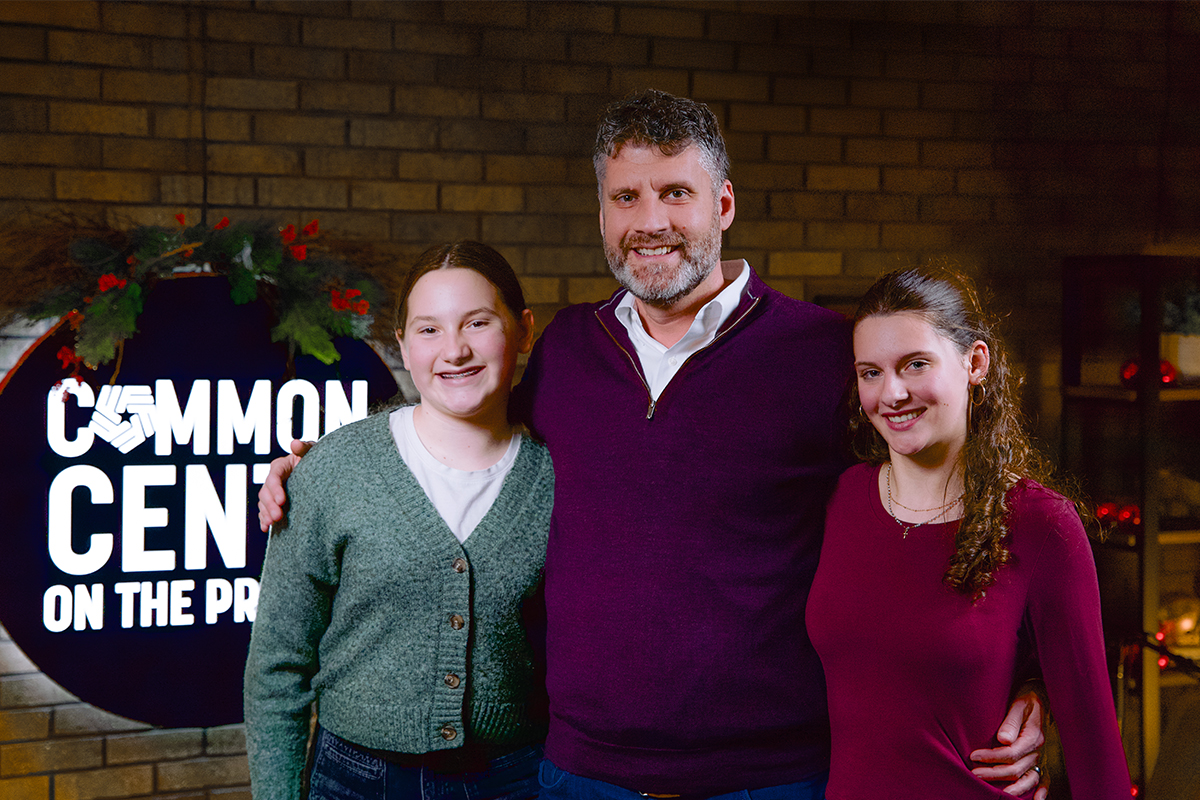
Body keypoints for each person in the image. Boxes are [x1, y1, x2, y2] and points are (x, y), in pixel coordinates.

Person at [258, 90, 1047, 799]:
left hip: (769, 777)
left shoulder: (822, 353)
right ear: (602, 214)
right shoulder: (570, 348)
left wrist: (1025, 679)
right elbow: (461, 411)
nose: (651, 221)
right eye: (626, 196)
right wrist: (328, 463)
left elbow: (938, 504)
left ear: (725, 203)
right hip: (579, 772)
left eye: (677, 192)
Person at [244, 241, 555, 800]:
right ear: (404, 346)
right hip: (355, 781)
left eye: (478, 323)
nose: (454, 350)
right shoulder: (332, 471)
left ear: (523, 331)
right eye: (429, 330)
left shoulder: (561, 482)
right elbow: (277, 667)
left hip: (519, 779)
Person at [806, 267, 1131, 798]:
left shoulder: (1040, 523)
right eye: (870, 372)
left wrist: (1038, 694)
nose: (891, 393)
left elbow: (1096, 749)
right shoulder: (842, 499)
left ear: (975, 362)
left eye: (915, 364)